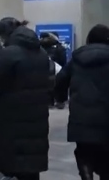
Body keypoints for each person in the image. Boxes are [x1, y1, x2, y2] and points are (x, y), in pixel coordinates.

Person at [0, 18, 51, 180]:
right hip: (38, 112)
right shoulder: (41, 52)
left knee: (14, 162)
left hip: (13, 114)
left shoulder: (10, 53)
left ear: (3, 35)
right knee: (32, 163)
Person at [54, 24, 109, 179]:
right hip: (106, 117)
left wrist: (60, 98)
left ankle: (86, 174)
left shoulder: (76, 59)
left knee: (84, 152)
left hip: (81, 117)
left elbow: (60, 80)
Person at [40, 32, 68, 109]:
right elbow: (63, 61)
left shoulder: (39, 48)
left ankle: (50, 101)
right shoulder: (59, 48)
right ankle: (59, 101)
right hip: (56, 69)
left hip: (45, 70)